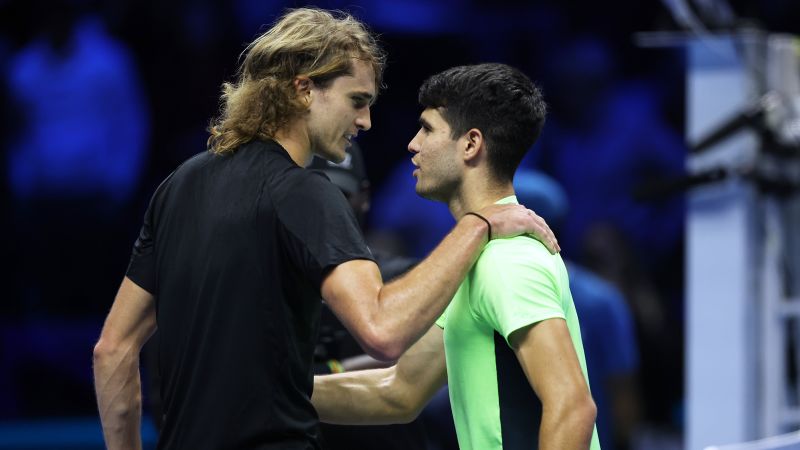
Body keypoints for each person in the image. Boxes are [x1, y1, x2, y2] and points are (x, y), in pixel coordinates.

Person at [92, 8, 558, 450]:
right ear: (303, 90)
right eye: (357, 101)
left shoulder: (177, 186)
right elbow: (383, 331)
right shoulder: (305, 193)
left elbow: (112, 350)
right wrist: (479, 224)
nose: (366, 121)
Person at [313, 63, 600, 450]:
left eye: (428, 129)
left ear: (471, 144)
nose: (413, 144)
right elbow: (399, 391)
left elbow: (572, 406)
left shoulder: (507, 261)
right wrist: (271, 395)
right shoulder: (478, 257)